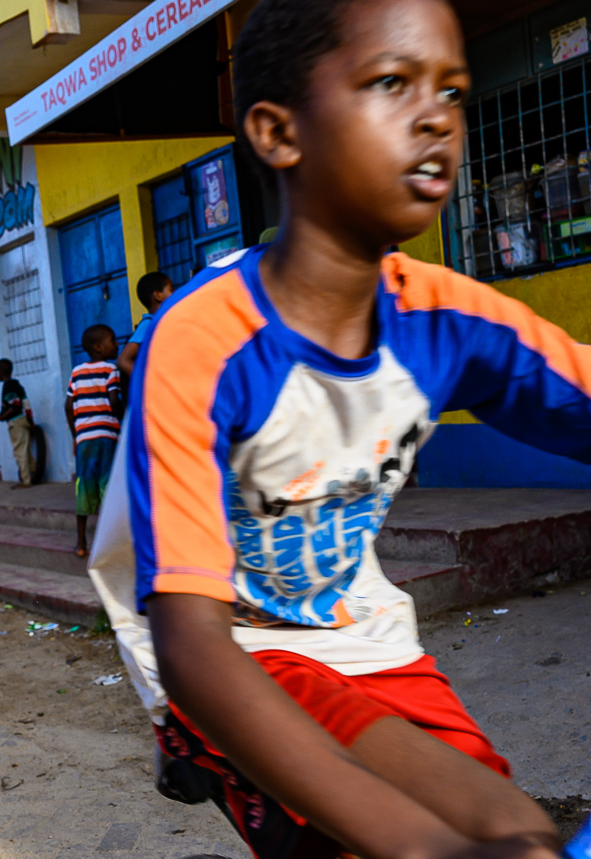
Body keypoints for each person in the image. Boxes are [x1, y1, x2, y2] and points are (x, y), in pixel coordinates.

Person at [125, 2, 569, 858]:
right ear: (278, 133)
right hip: (237, 643)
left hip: (360, 628)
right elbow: (192, 641)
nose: (438, 114)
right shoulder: (202, 340)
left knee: (518, 830)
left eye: (454, 90)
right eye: (392, 83)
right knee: (407, 832)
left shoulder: (442, 314)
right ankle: (190, 743)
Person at [65, 324, 122, 558]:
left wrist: (76, 436)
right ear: (99, 347)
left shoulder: (76, 372)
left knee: (84, 487)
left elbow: (68, 406)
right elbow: (114, 400)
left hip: (85, 440)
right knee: (108, 487)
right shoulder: (111, 369)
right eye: (113, 340)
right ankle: (111, 543)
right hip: (107, 437)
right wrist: (123, 422)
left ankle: (81, 543)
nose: (117, 345)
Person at [115, 272, 174, 388]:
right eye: (171, 290)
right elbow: (123, 360)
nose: (175, 294)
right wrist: (151, 383)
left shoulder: (161, 322)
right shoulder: (148, 324)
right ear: (158, 295)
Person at [0, 358, 34, 489]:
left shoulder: (8, 386)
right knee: (26, 449)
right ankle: (34, 472)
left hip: (15, 422)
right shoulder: (17, 384)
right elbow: (25, 402)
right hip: (23, 419)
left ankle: (25, 481)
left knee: (19, 451)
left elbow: (14, 406)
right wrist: (30, 420)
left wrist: (1, 417)